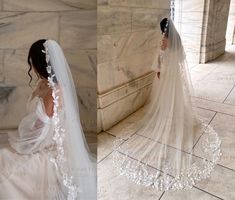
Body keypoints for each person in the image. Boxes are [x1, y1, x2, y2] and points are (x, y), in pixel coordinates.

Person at [113, 18, 221, 191]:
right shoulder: (177, 41)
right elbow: (181, 59)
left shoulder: (164, 41)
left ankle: (165, 119)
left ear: (163, 30)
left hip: (165, 78)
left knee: (164, 101)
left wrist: (159, 71)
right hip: (175, 79)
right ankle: (175, 119)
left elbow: (160, 60)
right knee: (176, 100)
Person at [0, 39, 96, 199]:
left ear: (40, 63)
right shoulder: (43, 84)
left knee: (6, 171)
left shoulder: (54, 92)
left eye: (32, 62)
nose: (32, 67)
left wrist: (24, 145)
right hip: (37, 141)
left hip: (45, 150)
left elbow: (40, 131)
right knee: (3, 156)